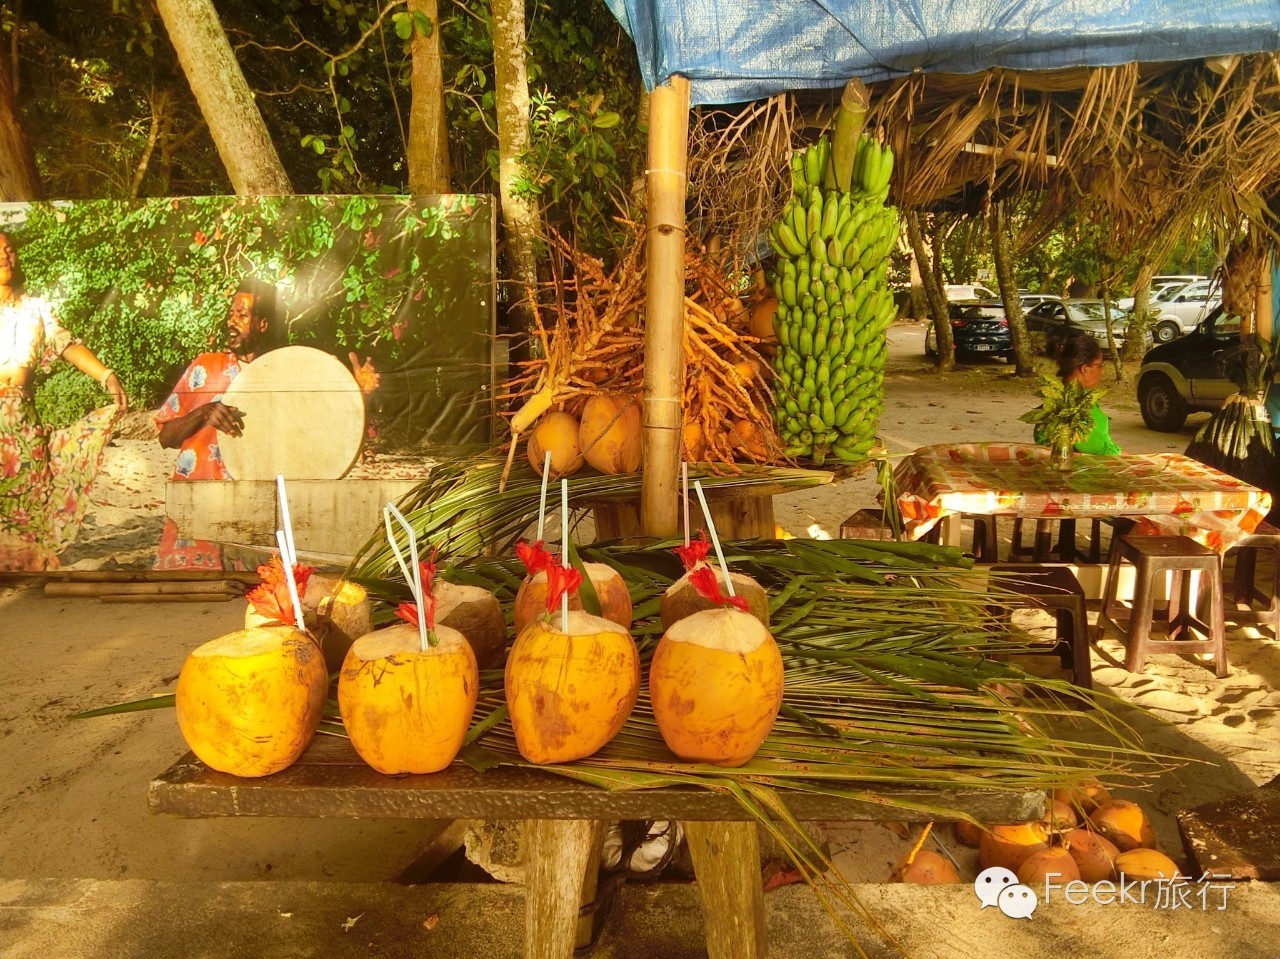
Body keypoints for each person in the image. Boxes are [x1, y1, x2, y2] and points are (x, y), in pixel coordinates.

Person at [0, 232, 128, 570]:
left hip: (21, 419)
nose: (4, 256)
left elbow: (67, 345)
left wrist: (106, 375)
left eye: (9, 249)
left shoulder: (35, 308)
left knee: (32, 493)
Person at [152, 278, 278, 569]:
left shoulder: (279, 373)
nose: (231, 321)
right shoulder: (205, 366)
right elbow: (165, 436)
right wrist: (202, 413)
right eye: (231, 314)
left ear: (263, 324)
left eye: (242, 315)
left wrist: (360, 394)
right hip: (196, 513)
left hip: (250, 516)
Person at [1039, 332, 1120, 455]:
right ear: (1085, 369)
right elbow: (1095, 447)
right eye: (1100, 365)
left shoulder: (1052, 399)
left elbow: (1040, 437)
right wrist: (1121, 455)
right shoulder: (1079, 405)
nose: (1101, 371)